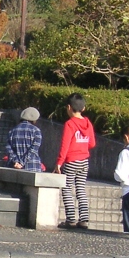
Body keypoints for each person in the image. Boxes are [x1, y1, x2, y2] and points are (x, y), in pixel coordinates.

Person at [55, 93, 95, 229]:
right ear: (83, 108)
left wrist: (59, 162)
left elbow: (65, 145)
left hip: (71, 161)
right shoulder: (88, 123)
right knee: (80, 189)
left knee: (67, 189)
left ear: (68, 107)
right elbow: (92, 143)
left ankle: (71, 219)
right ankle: (84, 220)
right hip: (84, 161)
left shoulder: (70, 124)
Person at [4, 107, 45, 171]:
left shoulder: (12, 131)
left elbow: (8, 148)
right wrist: (21, 162)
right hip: (32, 167)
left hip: (13, 167)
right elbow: (33, 150)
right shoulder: (36, 131)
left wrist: (16, 161)